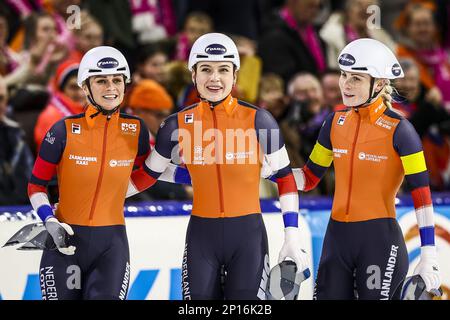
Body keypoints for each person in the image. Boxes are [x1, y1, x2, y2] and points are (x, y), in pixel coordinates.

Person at [127, 33, 310, 300]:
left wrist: (291, 237)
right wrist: (97, 201)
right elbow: (147, 176)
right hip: (202, 239)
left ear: (235, 76)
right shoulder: (175, 125)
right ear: (194, 75)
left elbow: (284, 178)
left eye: (223, 70)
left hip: (248, 240)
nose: (215, 78)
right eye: (206, 70)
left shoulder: (261, 121)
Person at [289, 38, 441, 299]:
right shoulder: (334, 122)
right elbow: (309, 178)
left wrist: (429, 253)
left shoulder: (401, 130)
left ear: (380, 83)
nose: (345, 85)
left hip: (379, 241)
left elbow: (422, 195)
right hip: (336, 238)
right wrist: (269, 170)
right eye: (344, 75)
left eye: (356, 78)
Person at [27, 46, 151, 300]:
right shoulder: (63, 130)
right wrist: (48, 220)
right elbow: (36, 185)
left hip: (111, 247)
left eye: (117, 80)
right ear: (85, 87)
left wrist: (119, 191)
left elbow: (153, 170)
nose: (111, 87)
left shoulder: (136, 129)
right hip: (64, 243)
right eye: (101, 81)